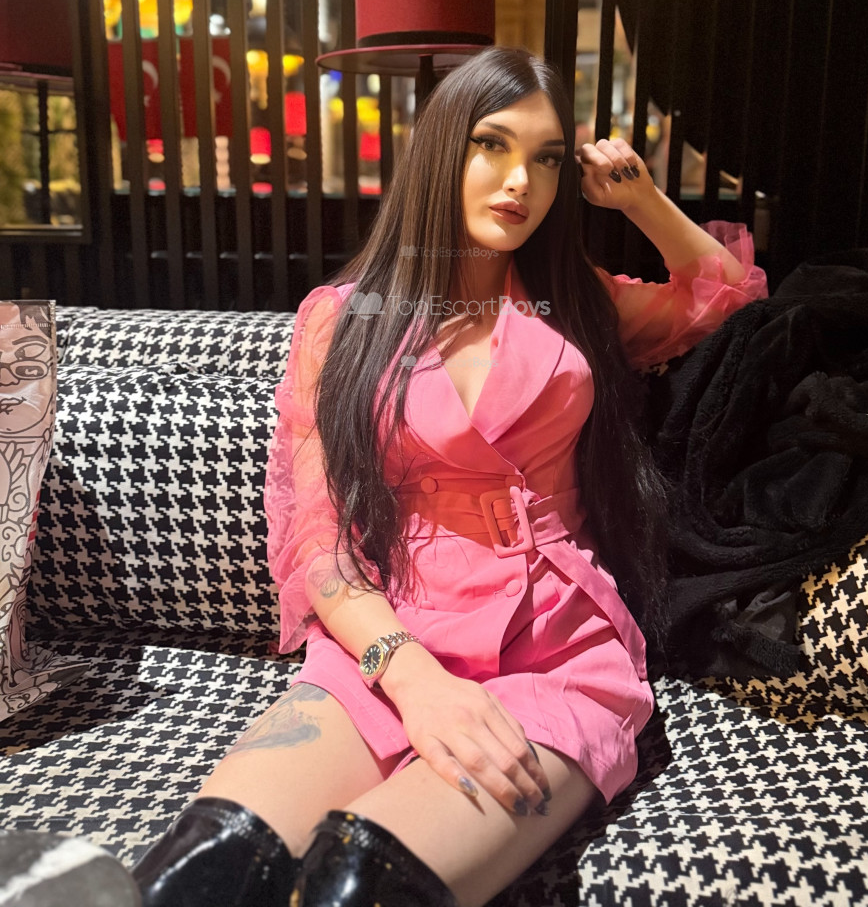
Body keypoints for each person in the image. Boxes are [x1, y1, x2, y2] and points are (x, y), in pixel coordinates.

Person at [130, 47, 768, 907]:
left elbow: (729, 299)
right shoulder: (342, 321)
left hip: (553, 644)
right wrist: (412, 676)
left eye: (546, 158)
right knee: (199, 873)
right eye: (492, 145)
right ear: (440, 150)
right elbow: (319, 534)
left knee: (357, 886)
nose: (521, 181)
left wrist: (639, 199)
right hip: (392, 634)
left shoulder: (574, 302)